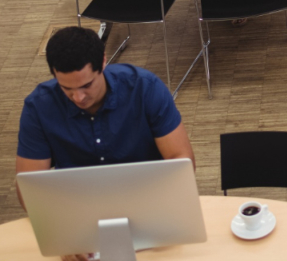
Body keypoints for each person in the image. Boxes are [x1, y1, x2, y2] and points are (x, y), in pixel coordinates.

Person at [15, 26, 195, 198]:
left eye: (86, 85)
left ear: (103, 61)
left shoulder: (144, 88)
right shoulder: (38, 107)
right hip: (76, 203)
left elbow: (181, 161)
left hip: (148, 193)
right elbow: (30, 188)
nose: (78, 98)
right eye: (66, 88)